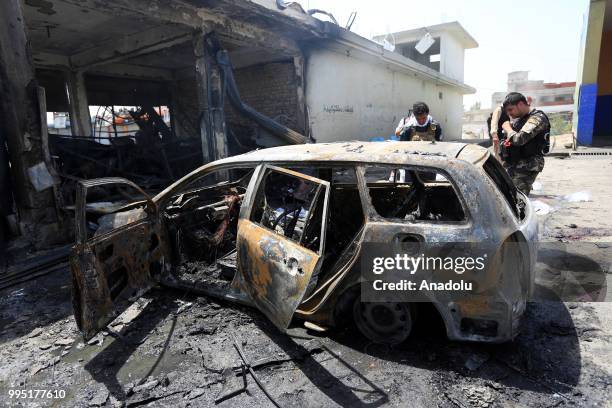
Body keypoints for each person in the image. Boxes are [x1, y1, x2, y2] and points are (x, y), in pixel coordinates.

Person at [499, 92, 550, 196]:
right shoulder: (521, 121)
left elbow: (520, 139)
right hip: (515, 163)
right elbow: (508, 141)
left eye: (511, 109)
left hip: (528, 165)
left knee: (517, 198)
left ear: (521, 104)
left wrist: (508, 128)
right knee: (507, 195)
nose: (509, 113)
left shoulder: (537, 118)